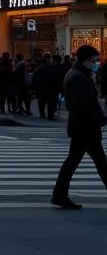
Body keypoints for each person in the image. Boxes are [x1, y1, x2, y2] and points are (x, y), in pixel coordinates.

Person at [51, 44, 107, 209]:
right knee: (99, 161)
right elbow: (82, 106)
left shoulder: (78, 75)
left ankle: (59, 194)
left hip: (82, 127)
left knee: (75, 161)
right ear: (87, 59)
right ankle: (59, 194)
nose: (96, 63)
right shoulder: (78, 77)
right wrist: (99, 119)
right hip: (86, 128)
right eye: (94, 60)